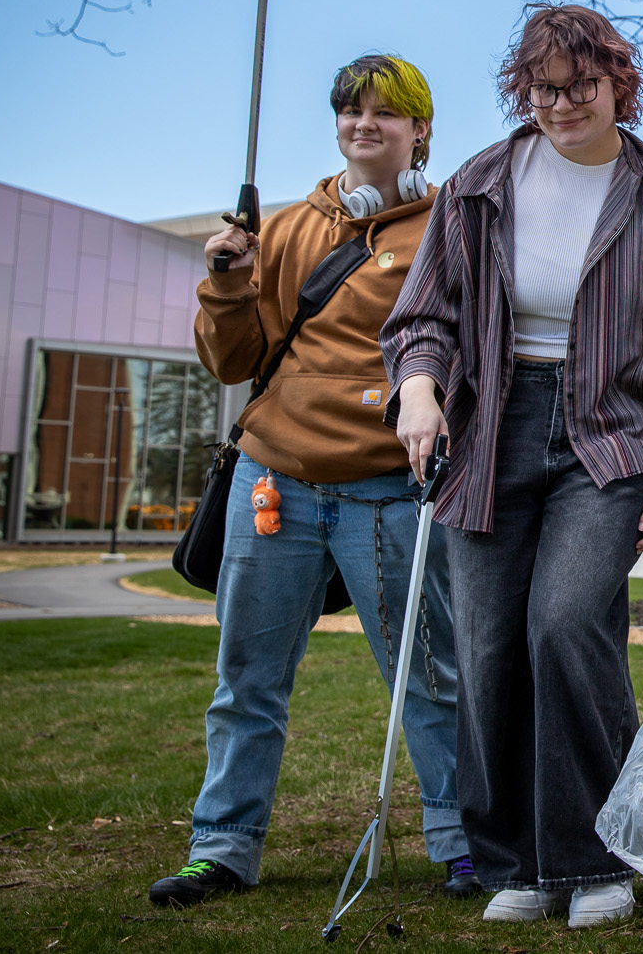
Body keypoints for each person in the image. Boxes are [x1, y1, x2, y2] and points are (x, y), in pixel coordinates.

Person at [382, 4, 643, 930]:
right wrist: (418, 391)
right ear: (522, 91)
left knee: (568, 624)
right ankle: (519, 861)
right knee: (488, 649)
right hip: (490, 425)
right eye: (544, 89)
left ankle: (598, 854)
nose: (563, 104)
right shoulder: (479, 183)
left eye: (582, 86)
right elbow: (424, 317)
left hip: (606, 438)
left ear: (618, 82)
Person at [152, 55, 475, 908]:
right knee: (248, 677)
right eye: (349, 111)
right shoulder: (291, 227)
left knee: (431, 678)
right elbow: (235, 359)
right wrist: (226, 282)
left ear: (419, 130)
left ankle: (460, 839)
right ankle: (222, 846)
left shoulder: (452, 228)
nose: (363, 123)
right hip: (276, 481)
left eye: (383, 112)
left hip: (388, 487)